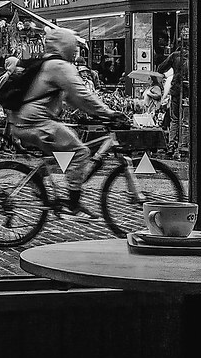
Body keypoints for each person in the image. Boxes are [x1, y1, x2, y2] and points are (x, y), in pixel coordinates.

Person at [9, 27, 130, 219]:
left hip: (24, 121)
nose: (75, 52)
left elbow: (74, 99)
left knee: (62, 148)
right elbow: (82, 95)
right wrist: (108, 114)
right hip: (34, 122)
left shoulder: (48, 64)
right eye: (73, 47)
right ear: (66, 46)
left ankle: (38, 183)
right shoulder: (59, 66)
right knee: (80, 152)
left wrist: (96, 113)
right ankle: (73, 205)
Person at [157, 38, 189, 157]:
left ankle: (172, 144)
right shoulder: (193, 55)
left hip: (176, 89)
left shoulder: (175, 56)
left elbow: (161, 68)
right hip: (189, 91)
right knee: (186, 119)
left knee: (175, 119)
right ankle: (184, 145)